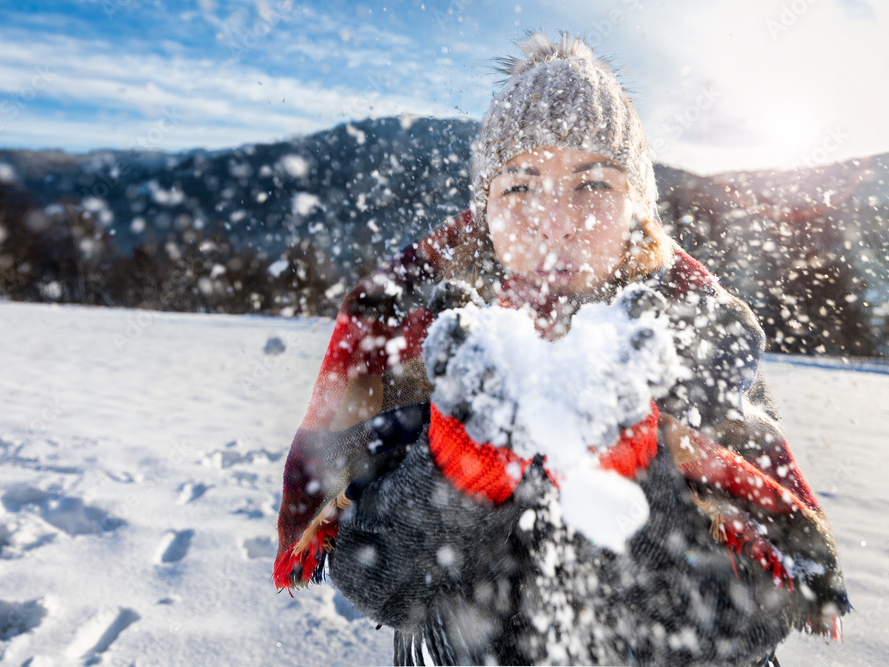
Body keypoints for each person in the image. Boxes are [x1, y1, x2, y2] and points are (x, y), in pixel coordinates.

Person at [273, 31, 849, 665]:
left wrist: (643, 486)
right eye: (519, 187)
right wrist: (451, 476)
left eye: (593, 184)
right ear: (483, 214)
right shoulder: (422, 346)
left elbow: (748, 626)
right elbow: (376, 584)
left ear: (637, 212)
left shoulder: (700, 344)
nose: (556, 220)